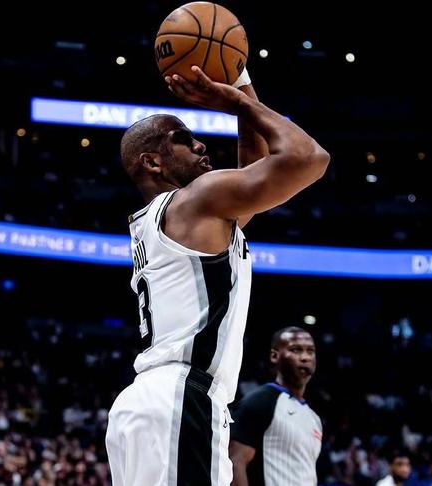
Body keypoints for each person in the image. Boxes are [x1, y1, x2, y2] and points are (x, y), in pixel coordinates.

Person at [105, 63, 330, 486]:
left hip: (150, 403)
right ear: (152, 162)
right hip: (181, 397)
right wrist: (235, 101)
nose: (200, 144)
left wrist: (241, 78)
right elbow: (309, 159)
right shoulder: (196, 200)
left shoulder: (183, 216)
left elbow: (255, 165)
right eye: (182, 139)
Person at [229, 326, 322, 486]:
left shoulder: (314, 418)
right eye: (296, 350)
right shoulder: (260, 401)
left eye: (310, 351)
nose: (305, 357)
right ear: (274, 356)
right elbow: (235, 463)